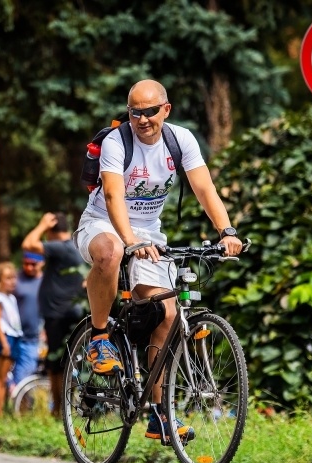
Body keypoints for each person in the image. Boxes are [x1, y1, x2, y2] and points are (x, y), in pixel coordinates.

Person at [74, 79, 243, 442]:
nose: (143, 119)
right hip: (102, 222)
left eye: (150, 111)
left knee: (166, 314)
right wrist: (130, 241)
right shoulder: (117, 142)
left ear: (166, 110)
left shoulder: (180, 140)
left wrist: (226, 230)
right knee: (111, 251)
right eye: (135, 111)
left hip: (149, 234)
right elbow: (115, 196)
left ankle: (158, 414)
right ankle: (100, 336)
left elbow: (204, 188)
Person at [22, 212, 85, 416]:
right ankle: (62, 408)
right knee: (67, 360)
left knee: (57, 363)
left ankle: (58, 409)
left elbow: (28, 244)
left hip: (59, 314)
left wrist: (41, 225)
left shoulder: (61, 246)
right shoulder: (73, 247)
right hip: (66, 312)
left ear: (52, 229)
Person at [0, 262, 24, 417]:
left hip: (14, 336)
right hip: (4, 337)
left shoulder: (11, 298)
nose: (12, 281)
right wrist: (3, 342)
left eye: (14, 277)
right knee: (0, 378)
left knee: (4, 377)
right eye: (8, 278)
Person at [13, 251, 43, 386]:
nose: (29, 267)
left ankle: (22, 406)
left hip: (32, 338)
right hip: (11, 335)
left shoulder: (46, 282)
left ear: (42, 263)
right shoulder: (15, 279)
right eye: (26, 264)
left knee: (25, 376)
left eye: (33, 264)